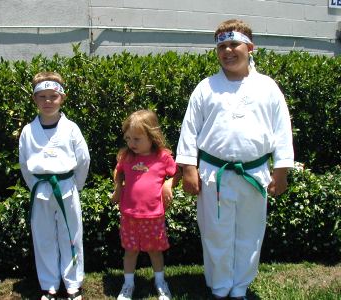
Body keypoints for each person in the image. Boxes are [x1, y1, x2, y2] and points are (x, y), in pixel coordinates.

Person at [176, 19, 294, 300]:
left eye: (234, 44)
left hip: (254, 175)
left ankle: (240, 286)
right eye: (221, 46)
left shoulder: (267, 87)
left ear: (250, 47)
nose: (227, 51)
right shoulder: (206, 88)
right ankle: (219, 286)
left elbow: (281, 130)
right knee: (216, 233)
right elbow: (189, 129)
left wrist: (281, 171)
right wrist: (188, 168)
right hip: (214, 174)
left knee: (250, 233)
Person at [19, 71, 90, 300]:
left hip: (67, 186)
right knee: (44, 238)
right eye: (42, 96)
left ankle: (72, 286)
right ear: (34, 99)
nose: (48, 101)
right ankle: (49, 286)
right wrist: (36, 187)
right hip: (40, 189)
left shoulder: (71, 129)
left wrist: (75, 186)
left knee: (71, 236)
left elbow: (83, 160)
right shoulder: (28, 132)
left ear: (63, 98)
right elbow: (24, 164)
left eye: (53, 96)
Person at [111, 110, 180, 300]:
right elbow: (118, 172)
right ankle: (128, 284)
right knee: (130, 251)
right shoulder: (127, 157)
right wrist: (118, 187)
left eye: (137, 139)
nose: (131, 143)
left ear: (152, 136)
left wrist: (168, 183)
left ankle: (160, 282)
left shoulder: (163, 157)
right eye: (128, 138)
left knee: (155, 251)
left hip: (153, 215)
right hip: (130, 215)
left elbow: (177, 172)